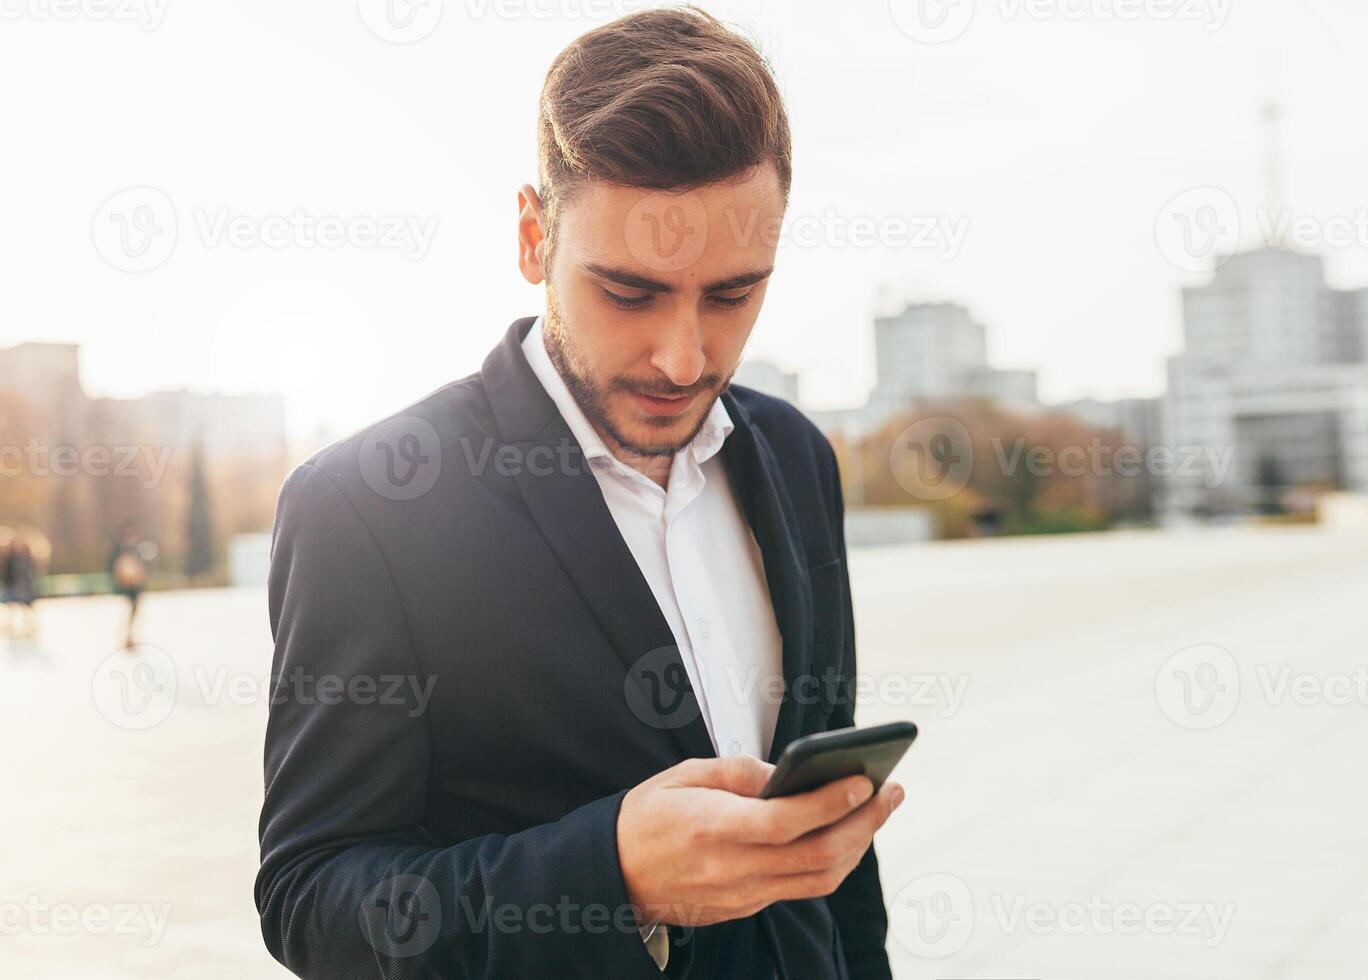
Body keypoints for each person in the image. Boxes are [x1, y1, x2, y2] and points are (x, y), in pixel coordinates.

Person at [256, 9, 902, 978]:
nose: (684, 356)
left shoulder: (800, 458)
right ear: (533, 236)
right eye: (631, 292)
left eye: (732, 295)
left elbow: (836, 875)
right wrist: (610, 875)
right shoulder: (368, 510)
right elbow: (314, 898)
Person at [108, 521, 150, 648]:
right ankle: (127, 637)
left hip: (136, 585)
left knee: (134, 611)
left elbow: (142, 567)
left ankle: (130, 637)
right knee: (130, 611)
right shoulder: (120, 550)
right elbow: (115, 567)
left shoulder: (137, 549)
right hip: (126, 585)